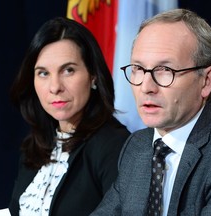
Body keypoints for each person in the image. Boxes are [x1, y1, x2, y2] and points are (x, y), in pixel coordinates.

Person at [90, 8, 211, 216]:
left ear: (206, 81)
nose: (146, 87)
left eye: (165, 71)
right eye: (138, 69)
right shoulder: (137, 146)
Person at [8, 17, 130, 216]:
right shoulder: (36, 146)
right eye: (43, 73)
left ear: (93, 76)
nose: (55, 87)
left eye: (68, 70)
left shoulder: (115, 146)